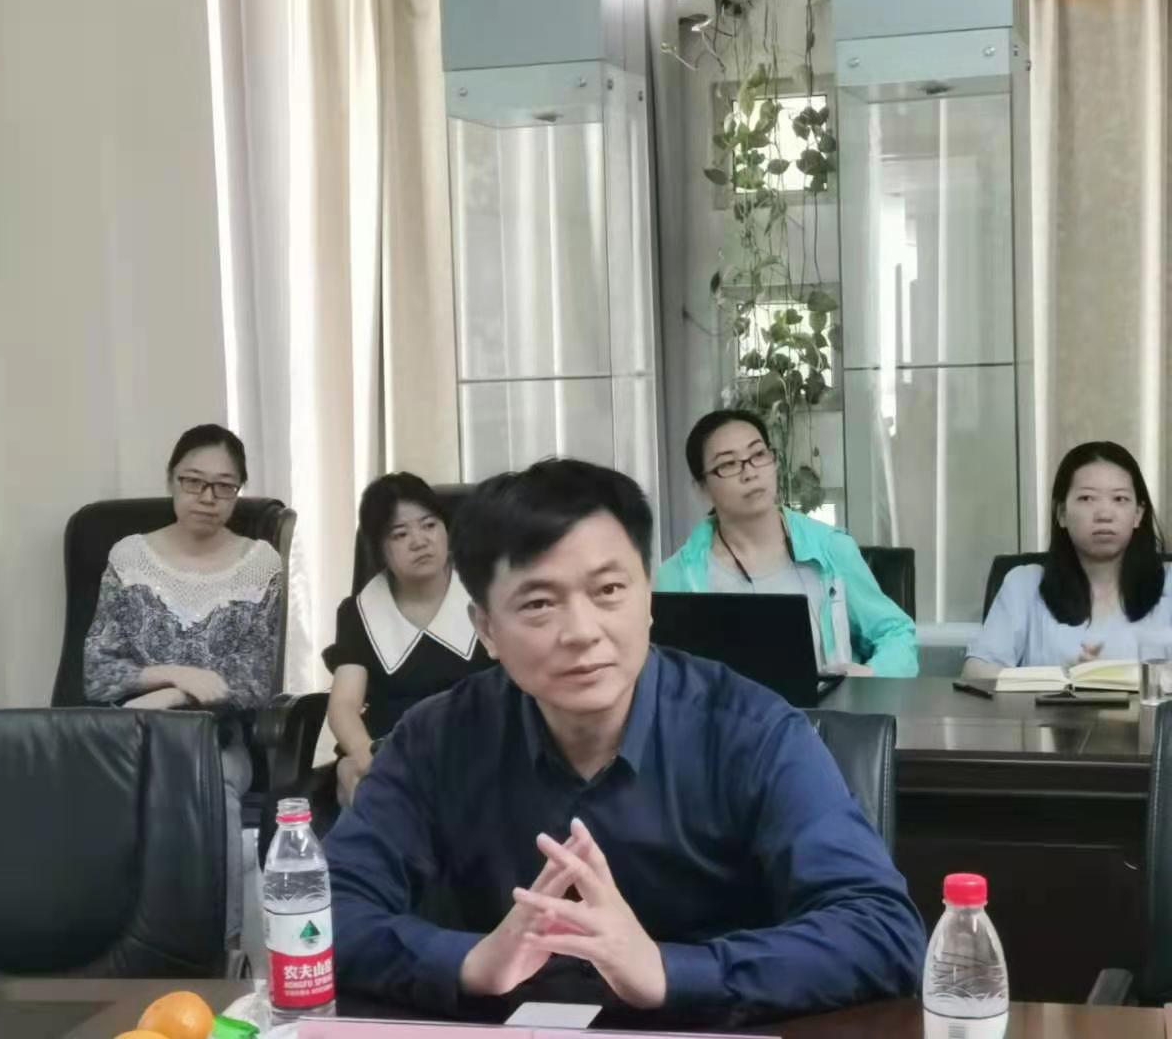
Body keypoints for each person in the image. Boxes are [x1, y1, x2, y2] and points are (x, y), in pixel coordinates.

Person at [325, 458, 925, 1025]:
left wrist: (669, 970)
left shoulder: (752, 732)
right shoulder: (436, 739)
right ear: (486, 628)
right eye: (538, 603)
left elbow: (882, 930)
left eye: (609, 590)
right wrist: (469, 962)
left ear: (648, 597)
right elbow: (320, 910)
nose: (582, 632)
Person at [84, 423, 282, 943]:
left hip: (215, 743)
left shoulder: (259, 564)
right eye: (193, 481)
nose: (207, 497)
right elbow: (97, 671)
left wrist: (172, 695)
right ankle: (112, 951)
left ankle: (223, 951)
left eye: (224, 486)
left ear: (237, 491)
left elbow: (254, 679)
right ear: (171, 481)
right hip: (131, 737)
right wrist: (177, 673)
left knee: (209, 790)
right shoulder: (128, 557)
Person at [655, 409, 918, 677]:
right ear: (702, 487)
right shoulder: (676, 578)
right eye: (728, 464)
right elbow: (663, 673)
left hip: (824, 704)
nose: (749, 472)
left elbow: (897, 634)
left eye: (758, 454)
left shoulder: (830, 549)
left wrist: (867, 675)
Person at [321, 472, 490, 811]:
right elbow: (344, 705)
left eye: (429, 525)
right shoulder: (361, 612)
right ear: (379, 549)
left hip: (478, 745)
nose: (420, 541)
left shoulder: (486, 593)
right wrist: (367, 759)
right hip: (391, 749)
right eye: (400, 534)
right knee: (358, 781)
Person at [964, 441, 1172, 675]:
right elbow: (976, 673)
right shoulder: (1024, 584)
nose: (1104, 514)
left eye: (1119, 499)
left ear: (1138, 515)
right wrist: (1064, 677)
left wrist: (1119, 677)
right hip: (1050, 701)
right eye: (1087, 498)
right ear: (1061, 513)